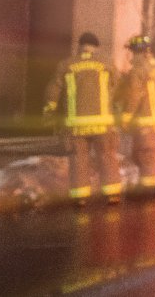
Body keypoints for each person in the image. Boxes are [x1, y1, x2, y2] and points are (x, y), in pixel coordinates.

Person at [44, 32, 121, 205]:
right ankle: (112, 194)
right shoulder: (107, 64)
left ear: (80, 46)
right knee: (107, 156)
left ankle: (80, 198)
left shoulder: (66, 65)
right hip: (103, 123)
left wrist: (49, 112)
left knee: (78, 159)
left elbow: (53, 91)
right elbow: (118, 87)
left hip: (76, 125)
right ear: (96, 47)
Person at [117, 34, 155, 194]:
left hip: (146, 123)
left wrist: (126, 117)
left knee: (145, 155)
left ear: (135, 51)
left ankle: (147, 191)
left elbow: (135, 95)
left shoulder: (138, 70)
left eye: (132, 51)